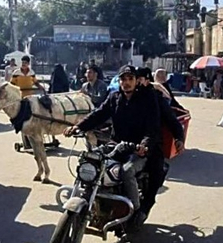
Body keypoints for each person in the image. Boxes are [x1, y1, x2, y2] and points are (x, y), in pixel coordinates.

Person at [64, 65, 161, 225]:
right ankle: (92, 199)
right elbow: (98, 114)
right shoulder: (114, 97)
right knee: (89, 159)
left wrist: (144, 145)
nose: (127, 82)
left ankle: (135, 210)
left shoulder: (147, 99)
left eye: (130, 79)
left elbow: (153, 127)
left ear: (137, 81)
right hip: (116, 144)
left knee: (127, 170)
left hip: (137, 149)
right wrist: (78, 127)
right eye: (123, 79)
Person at [136, 67, 184, 217]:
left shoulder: (156, 97)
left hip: (149, 142)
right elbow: (104, 112)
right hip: (124, 142)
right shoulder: (121, 96)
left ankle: (145, 206)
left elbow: (171, 119)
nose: (133, 82)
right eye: (126, 79)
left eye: (138, 78)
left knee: (155, 170)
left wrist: (179, 137)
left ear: (146, 79)